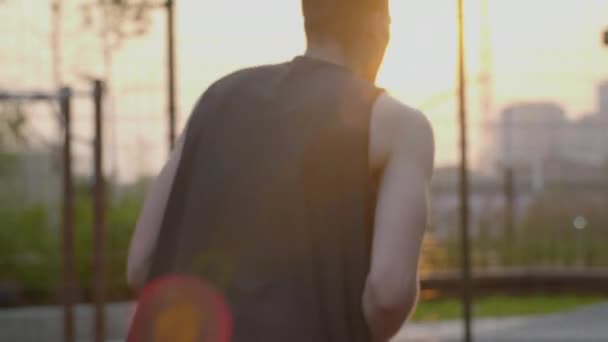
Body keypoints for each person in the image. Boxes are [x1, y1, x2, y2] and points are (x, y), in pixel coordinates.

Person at [127, 0, 434, 340]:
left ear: (309, 18)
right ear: (379, 25)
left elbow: (142, 263)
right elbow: (388, 293)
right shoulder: (400, 125)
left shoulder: (216, 99)